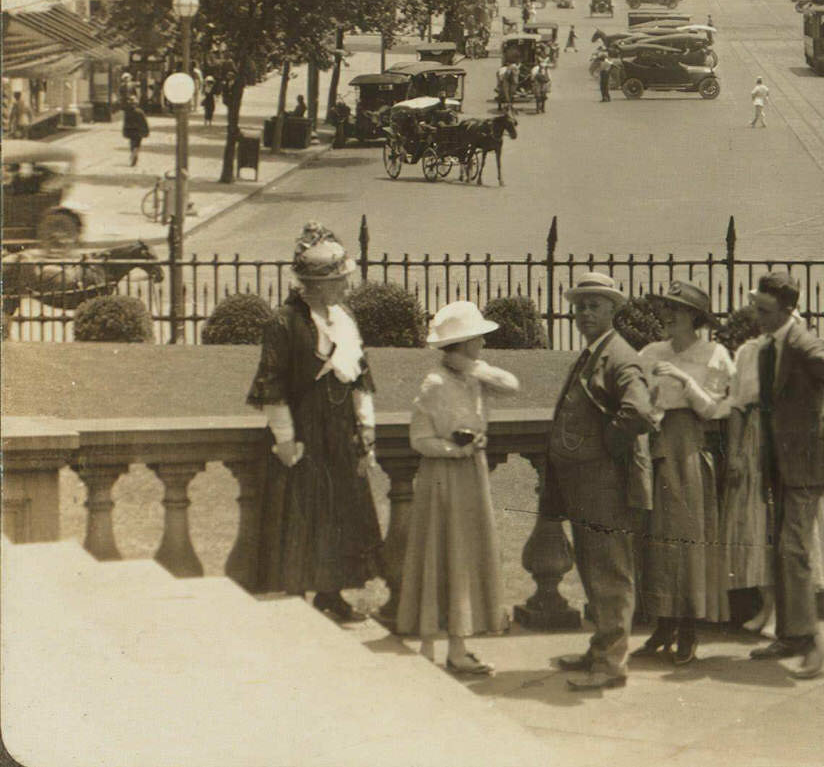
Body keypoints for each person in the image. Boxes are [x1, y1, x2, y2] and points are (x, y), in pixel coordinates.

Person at [245, 223, 383, 622]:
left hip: (340, 430)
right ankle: (293, 598)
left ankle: (331, 593)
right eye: (338, 281)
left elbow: (360, 377)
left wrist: (366, 425)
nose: (345, 287)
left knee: (340, 511)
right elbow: (271, 386)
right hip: (305, 429)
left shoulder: (345, 319)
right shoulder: (284, 323)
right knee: (302, 513)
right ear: (312, 285)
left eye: (344, 279)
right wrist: (286, 438)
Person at [745, 271, 824, 680]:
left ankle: (813, 641)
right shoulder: (769, 349)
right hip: (779, 464)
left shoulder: (803, 344)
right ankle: (789, 636)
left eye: (764, 310)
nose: (756, 316)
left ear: (786, 309)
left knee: (794, 550)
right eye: (755, 306)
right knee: (782, 548)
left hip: (805, 465)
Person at [541, 271, 655, 691]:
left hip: (608, 484)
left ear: (613, 310)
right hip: (585, 485)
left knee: (610, 571)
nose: (584, 312)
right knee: (593, 568)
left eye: (595, 305)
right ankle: (600, 648)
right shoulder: (594, 353)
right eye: (580, 306)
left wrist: (607, 445)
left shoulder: (621, 356)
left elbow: (639, 412)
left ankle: (611, 664)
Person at [397, 301, 520, 675]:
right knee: (439, 550)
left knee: (464, 554)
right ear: (464, 342)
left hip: (471, 476)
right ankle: (429, 645)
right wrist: (455, 449)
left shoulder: (476, 378)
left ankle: (457, 646)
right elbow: (419, 439)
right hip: (442, 476)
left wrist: (473, 368)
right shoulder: (434, 384)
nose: (482, 344)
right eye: (477, 340)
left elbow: (512, 386)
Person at [633, 281, 734, 665]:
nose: (668, 315)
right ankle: (663, 625)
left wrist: (685, 382)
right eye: (666, 307)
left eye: (677, 308)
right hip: (656, 447)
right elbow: (638, 396)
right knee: (658, 538)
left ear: (695, 317)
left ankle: (689, 630)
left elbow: (716, 409)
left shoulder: (714, 354)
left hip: (690, 448)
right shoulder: (650, 352)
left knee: (688, 537)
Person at [722, 325, 824, 635]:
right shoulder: (748, 353)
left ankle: (793, 615)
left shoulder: (804, 350)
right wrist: (734, 454)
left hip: (794, 440)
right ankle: (769, 606)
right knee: (758, 524)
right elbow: (736, 405)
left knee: (794, 527)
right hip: (756, 443)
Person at [121, 99, 150, 167]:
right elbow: (144, 122)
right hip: (138, 131)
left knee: (132, 144)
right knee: (137, 144)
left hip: (130, 131)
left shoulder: (127, 112)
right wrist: (146, 131)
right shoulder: (140, 112)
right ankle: (134, 154)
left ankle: (133, 154)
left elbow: (125, 123)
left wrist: (124, 131)